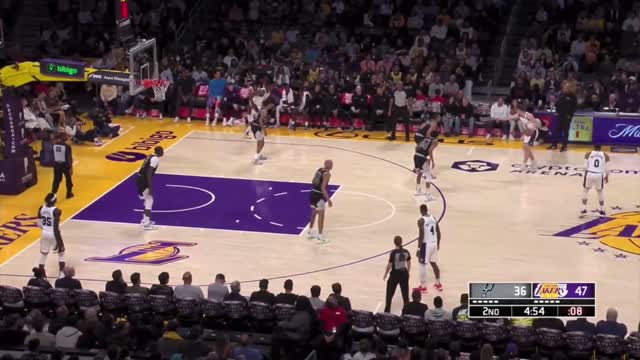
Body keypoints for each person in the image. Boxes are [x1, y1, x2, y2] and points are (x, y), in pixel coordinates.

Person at [37, 193, 66, 277]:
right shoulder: (56, 211)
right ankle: (61, 274)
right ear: (55, 201)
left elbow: (38, 224)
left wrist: (45, 228)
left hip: (44, 232)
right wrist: (59, 240)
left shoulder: (41, 208)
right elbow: (56, 227)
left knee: (43, 253)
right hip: (54, 233)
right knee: (61, 253)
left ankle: (40, 274)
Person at [415, 204, 442, 293]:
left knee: (422, 265)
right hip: (434, 243)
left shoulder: (421, 220)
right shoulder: (433, 218)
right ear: (427, 210)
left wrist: (419, 248)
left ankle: (423, 287)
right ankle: (438, 284)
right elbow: (438, 232)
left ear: (421, 210)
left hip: (426, 244)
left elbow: (421, 235)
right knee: (434, 263)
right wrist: (437, 243)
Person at [136, 146, 164, 230]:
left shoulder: (150, 156)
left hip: (140, 178)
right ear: (159, 151)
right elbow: (149, 173)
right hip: (143, 180)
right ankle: (146, 224)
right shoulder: (155, 159)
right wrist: (150, 186)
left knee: (146, 200)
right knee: (149, 200)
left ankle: (144, 220)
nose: (163, 152)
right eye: (162, 151)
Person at [308, 159, 334, 243]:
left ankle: (310, 232)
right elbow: (323, 187)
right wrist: (328, 200)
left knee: (314, 212)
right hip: (318, 195)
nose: (332, 165)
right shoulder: (327, 174)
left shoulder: (319, 170)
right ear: (328, 165)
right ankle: (320, 236)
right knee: (321, 215)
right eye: (331, 164)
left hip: (312, 193)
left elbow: (313, 181)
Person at [383, 236, 411, 313]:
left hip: (395, 275)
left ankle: (387, 311)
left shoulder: (393, 253)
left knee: (389, 294)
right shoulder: (406, 251)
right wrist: (408, 272)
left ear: (394, 243)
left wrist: (385, 274)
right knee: (405, 295)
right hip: (404, 274)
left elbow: (389, 265)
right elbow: (408, 262)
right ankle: (407, 312)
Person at [581, 145, 609, 217]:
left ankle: (583, 209)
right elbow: (607, 168)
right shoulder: (605, 155)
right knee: (600, 192)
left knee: (585, 190)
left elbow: (584, 167)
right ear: (600, 148)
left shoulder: (588, 154)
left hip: (589, 173)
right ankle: (602, 210)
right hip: (599, 174)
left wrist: (586, 174)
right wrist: (607, 176)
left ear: (593, 148)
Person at [549, 82, 577, 151]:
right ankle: (554, 144)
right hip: (560, 116)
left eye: (566, 88)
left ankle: (564, 146)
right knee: (557, 130)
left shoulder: (573, 96)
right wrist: (557, 112)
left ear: (569, 88)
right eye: (564, 88)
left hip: (567, 117)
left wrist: (570, 115)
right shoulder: (561, 95)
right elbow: (559, 104)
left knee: (565, 132)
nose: (565, 89)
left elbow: (574, 107)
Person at [413, 130, 439, 202]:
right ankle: (428, 196)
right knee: (428, 176)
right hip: (421, 157)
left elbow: (416, 147)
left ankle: (418, 190)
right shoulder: (435, 142)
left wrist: (420, 155)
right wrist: (432, 161)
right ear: (437, 136)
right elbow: (430, 151)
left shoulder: (426, 138)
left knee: (420, 173)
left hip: (416, 155)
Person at [251, 88, 274, 165]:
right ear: (269, 105)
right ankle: (255, 159)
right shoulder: (264, 110)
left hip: (256, 126)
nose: (272, 106)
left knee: (262, 142)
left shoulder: (263, 109)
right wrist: (264, 130)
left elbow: (262, 120)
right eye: (271, 105)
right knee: (261, 142)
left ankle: (258, 155)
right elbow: (260, 121)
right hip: (256, 126)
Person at [516, 104, 541, 170]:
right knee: (525, 148)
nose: (516, 111)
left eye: (517, 110)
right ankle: (534, 162)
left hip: (532, 131)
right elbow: (510, 117)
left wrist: (530, 129)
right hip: (527, 132)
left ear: (519, 110)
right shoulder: (519, 115)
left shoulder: (529, 115)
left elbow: (535, 123)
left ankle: (524, 164)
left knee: (526, 148)